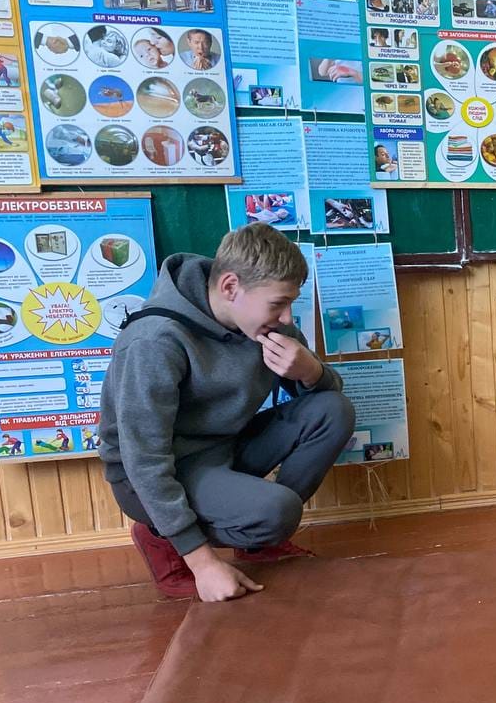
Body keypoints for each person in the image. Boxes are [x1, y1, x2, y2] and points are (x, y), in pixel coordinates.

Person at [98, 223, 356, 603]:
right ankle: (161, 535)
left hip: (224, 448)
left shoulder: (266, 323)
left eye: (290, 303)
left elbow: (327, 393)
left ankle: (258, 540)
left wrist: (310, 371)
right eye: (278, 303)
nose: (287, 318)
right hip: (152, 476)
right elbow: (143, 460)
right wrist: (203, 563)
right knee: (279, 511)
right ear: (231, 287)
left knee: (333, 409)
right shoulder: (153, 341)